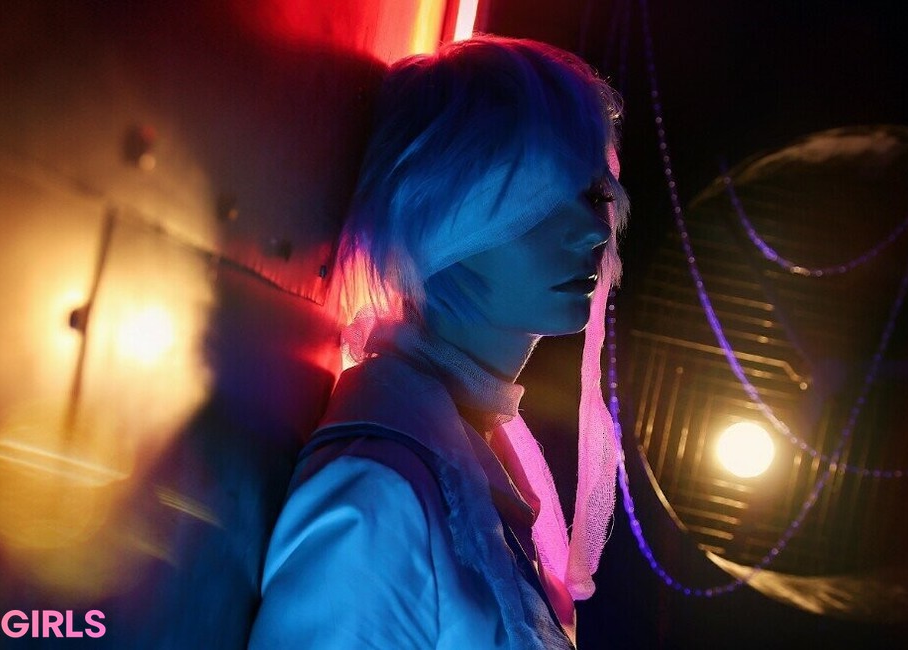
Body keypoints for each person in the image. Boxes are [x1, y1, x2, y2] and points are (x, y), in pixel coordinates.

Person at [248, 35, 629, 649]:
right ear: (442, 210)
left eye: (593, 195)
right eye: (538, 198)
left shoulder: (462, 462)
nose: (593, 229)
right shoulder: (379, 496)